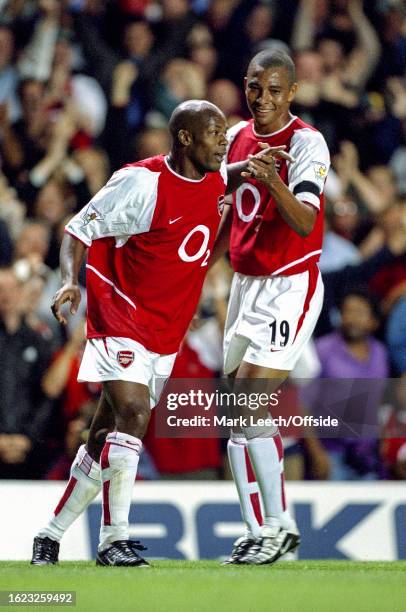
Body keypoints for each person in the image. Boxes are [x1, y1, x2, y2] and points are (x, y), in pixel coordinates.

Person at [30, 99, 290, 567]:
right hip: (119, 312)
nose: (223, 142)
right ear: (185, 138)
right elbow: (77, 229)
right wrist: (70, 280)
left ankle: (50, 534)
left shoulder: (212, 177)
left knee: (104, 435)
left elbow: (220, 179)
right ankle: (114, 540)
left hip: (164, 329)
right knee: (132, 414)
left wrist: (250, 167)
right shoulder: (140, 183)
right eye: (214, 134)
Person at [211, 49, 330, 565]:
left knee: (248, 401)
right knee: (232, 407)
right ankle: (258, 531)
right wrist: (239, 172)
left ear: (293, 92)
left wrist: (269, 178)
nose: (264, 99)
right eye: (256, 88)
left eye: (276, 90)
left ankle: (282, 527)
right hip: (244, 282)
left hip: (288, 283)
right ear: (246, 85)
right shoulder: (235, 136)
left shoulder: (307, 142)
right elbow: (213, 193)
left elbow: (305, 220)